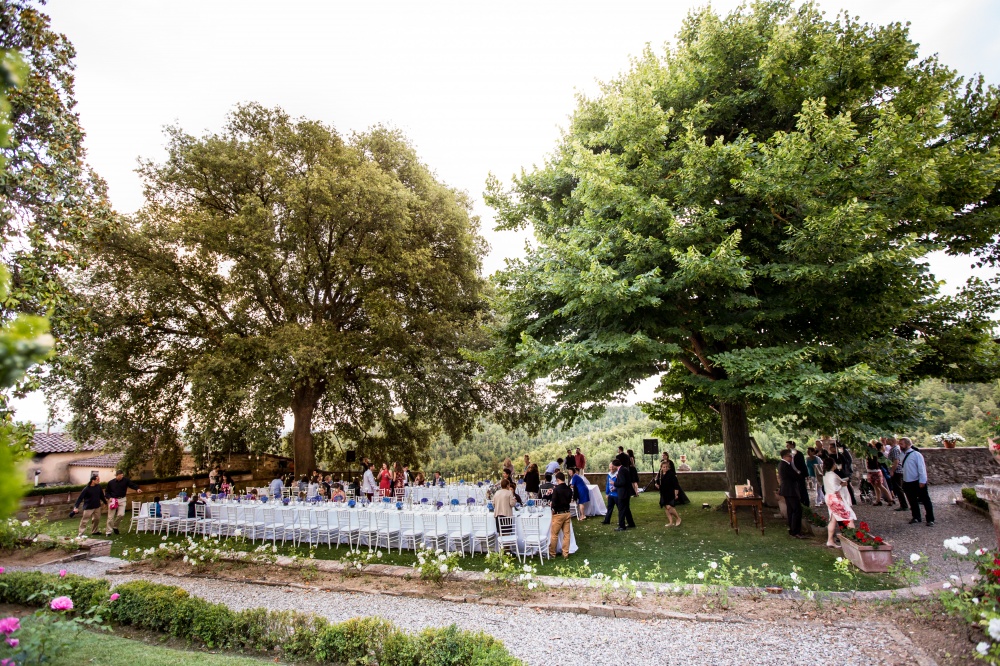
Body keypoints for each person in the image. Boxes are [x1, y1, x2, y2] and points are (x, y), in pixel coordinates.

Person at [899, 437, 934, 526]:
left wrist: (922, 480)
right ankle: (916, 517)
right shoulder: (902, 455)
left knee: (925, 500)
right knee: (912, 501)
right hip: (907, 481)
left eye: (901, 444)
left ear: (907, 444)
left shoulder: (916, 455)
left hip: (917, 481)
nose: (900, 446)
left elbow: (921, 468)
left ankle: (930, 519)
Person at [822, 458, 856, 548]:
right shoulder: (833, 475)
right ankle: (853, 541)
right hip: (835, 499)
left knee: (833, 519)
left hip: (828, 497)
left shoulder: (825, 474)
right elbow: (834, 488)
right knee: (849, 518)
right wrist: (841, 485)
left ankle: (830, 540)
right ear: (833, 465)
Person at [104, 470, 139, 535]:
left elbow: (132, 485)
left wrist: (137, 489)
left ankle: (115, 526)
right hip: (113, 500)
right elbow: (106, 492)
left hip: (122, 499)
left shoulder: (125, 480)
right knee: (110, 517)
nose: (122, 476)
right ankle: (108, 531)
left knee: (121, 514)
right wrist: (109, 498)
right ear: (117, 475)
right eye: (121, 475)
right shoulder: (111, 483)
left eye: (122, 475)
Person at [778, 450, 803, 538]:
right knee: (797, 509)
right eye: (790, 456)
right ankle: (796, 531)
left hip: (787, 489)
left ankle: (793, 529)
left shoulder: (784, 464)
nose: (791, 458)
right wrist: (799, 474)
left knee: (791, 510)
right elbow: (795, 476)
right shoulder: (785, 465)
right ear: (785, 456)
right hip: (790, 490)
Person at [548, 472, 573, 559]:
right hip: (567, 512)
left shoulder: (556, 489)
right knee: (567, 534)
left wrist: (553, 510)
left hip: (558, 514)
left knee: (554, 534)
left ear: (558, 479)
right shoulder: (568, 489)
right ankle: (565, 553)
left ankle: (552, 553)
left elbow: (554, 503)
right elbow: (570, 500)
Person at [864, 440, 895, 506]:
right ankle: (878, 500)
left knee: (880, 485)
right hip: (871, 471)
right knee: (875, 486)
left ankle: (890, 499)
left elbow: (882, 462)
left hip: (876, 471)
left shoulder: (877, 453)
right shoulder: (870, 453)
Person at [654, 459, 681, 527]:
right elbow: (657, 483)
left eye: (666, 467)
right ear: (661, 467)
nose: (665, 468)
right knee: (666, 508)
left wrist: (676, 494)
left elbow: (676, 485)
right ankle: (671, 522)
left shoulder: (671, 474)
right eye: (664, 467)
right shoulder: (660, 474)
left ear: (668, 467)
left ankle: (678, 518)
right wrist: (657, 485)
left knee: (669, 507)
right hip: (663, 493)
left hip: (670, 492)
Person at [614, 454, 636, 530]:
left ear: (615, 465)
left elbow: (622, 482)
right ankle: (631, 523)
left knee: (621, 509)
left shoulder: (621, 471)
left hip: (623, 493)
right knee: (626, 509)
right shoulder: (624, 469)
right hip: (627, 492)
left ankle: (621, 526)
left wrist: (614, 483)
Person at [887, 437, 909, 512]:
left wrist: (892, 470)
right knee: (897, 488)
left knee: (898, 488)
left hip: (897, 471)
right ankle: (903, 504)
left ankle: (904, 505)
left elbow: (896, 461)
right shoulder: (893, 449)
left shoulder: (895, 449)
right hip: (896, 471)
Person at [785, 441, 809, 508]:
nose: (786, 446)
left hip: (799, 474)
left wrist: (805, 474)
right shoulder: (788, 454)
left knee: (802, 488)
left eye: (788, 445)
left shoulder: (799, 454)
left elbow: (803, 465)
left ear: (792, 445)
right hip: (792, 475)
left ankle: (805, 503)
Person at [602, 461, 618, 525]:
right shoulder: (609, 475)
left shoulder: (618, 474)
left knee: (620, 508)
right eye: (610, 467)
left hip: (617, 494)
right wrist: (607, 493)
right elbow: (607, 484)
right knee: (609, 508)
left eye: (612, 467)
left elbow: (620, 484)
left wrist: (615, 488)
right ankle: (606, 520)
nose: (611, 468)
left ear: (616, 467)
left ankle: (622, 521)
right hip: (611, 494)